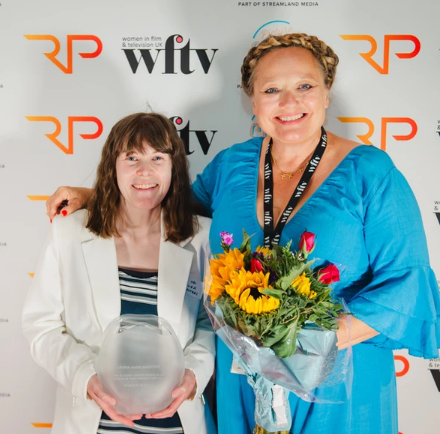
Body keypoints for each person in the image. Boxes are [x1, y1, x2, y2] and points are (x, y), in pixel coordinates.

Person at [45, 33, 440, 434]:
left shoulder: (371, 172)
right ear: (252, 100)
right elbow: (171, 214)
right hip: (243, 381)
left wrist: (302, 344)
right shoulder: (231, 165)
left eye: (304, 86)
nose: (289, 103)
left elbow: (408, 286)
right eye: (272, 90)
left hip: (338, 385)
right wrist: (94, 195)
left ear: (326, 94)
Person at [23, 113, 215, 434]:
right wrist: (84, 375)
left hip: (176, 424)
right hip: (91, 422)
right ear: (112, 165)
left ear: (174, 168)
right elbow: (40, 325)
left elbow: (210, 323)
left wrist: (194, 372)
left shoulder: (202, 238)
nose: (145, 171)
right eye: (131, 158)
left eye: (157, 158)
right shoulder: (68, 232)